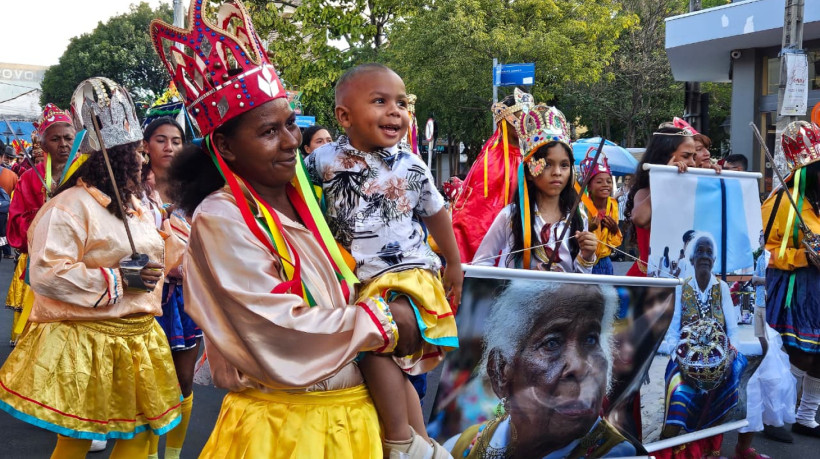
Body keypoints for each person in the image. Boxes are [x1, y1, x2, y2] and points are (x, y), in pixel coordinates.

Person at [152, 2, 428, 456]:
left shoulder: (308, 199)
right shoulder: (222, 217)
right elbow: (277, 333)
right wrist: (387, 322)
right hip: (286, 429)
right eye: (268, 132)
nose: (290, 141)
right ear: (225, 145)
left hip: (354, 420)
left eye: (290, 125)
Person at [0, 77, 181, 458]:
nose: (142, 160)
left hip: (140, 338)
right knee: (77, 438)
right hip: (89, 342)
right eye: (135, 152)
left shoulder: (135, 205)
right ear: (113, 159)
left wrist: (181, 243)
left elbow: (157, 258)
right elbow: (47, 272)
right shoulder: (68, 207)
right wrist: (118, 279)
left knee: (139, 434)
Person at [305, 62, 459, 458]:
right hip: (357, 280)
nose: (396, 111)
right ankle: (422, 442)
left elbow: (437, 213)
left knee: (376, 343)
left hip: (408, 272)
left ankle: (398, 441)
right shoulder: (321, 161)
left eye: (401, 103)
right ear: (344, 116)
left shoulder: (411, 163)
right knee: (388, 359)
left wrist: (454, 264)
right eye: (380, 101)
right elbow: (293, 197)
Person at [445, 280, 637, 458]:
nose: (580, 366)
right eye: (552, 343)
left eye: (590, 340)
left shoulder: (620, 454)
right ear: (500, 370)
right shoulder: (458, 448)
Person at [473, 104, 597, 272]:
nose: (557, 173)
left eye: (564, 165)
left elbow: (580, 279)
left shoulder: (578, 216)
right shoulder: (511, 216)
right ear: (530, 172)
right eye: (547, 165)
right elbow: (480, 265)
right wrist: (525, 278)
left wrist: (587, 256)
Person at [140, 117, 200, 459]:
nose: (169, 147)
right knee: (146, 384)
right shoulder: (131, 189)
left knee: (184, 380)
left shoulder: (197, 189)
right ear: (145, 146)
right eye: (160, 140)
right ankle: (147, 453)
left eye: (176, 141)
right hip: (146, 296)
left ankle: (174, 454)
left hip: (186, 295)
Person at [762, 121, 820, 438]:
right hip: (795, 288)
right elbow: (761, 251)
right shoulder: (780, 202)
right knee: (800, 353)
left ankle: (806, 416)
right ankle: (775, 416)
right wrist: (801, 256)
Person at [4, 104, 75, 350]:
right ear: (44, 145)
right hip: (40, 266)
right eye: (55, 139)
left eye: (68, 138)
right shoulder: (29, 179)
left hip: (79, 268)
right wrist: (44, 218)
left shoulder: (89, 175)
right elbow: (15, 225)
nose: (63, 144)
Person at [451, 88, 534, 263]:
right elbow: (478, 213)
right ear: (506, 120)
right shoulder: (492, 161)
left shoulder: (533, 155)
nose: (526, 122)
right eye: (520, 116)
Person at [625, 126, 698, 278]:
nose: (692, 163)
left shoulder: (693, 193)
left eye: (694, 157)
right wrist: (665, 180)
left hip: (685, 280)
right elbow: (640, 218)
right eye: (686, 156)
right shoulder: (645, 191)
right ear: (666, 158)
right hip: (648, 283)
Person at [581, 153, 622, 274]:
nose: (605, 185)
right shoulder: (582, 205)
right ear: (589, 187)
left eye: (609, 181)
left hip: (605, 262)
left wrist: (615, 229)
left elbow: (615, 241)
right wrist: (588, 228)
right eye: (599, 182)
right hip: (586, 261)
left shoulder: (613, 204)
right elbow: (574, 236)